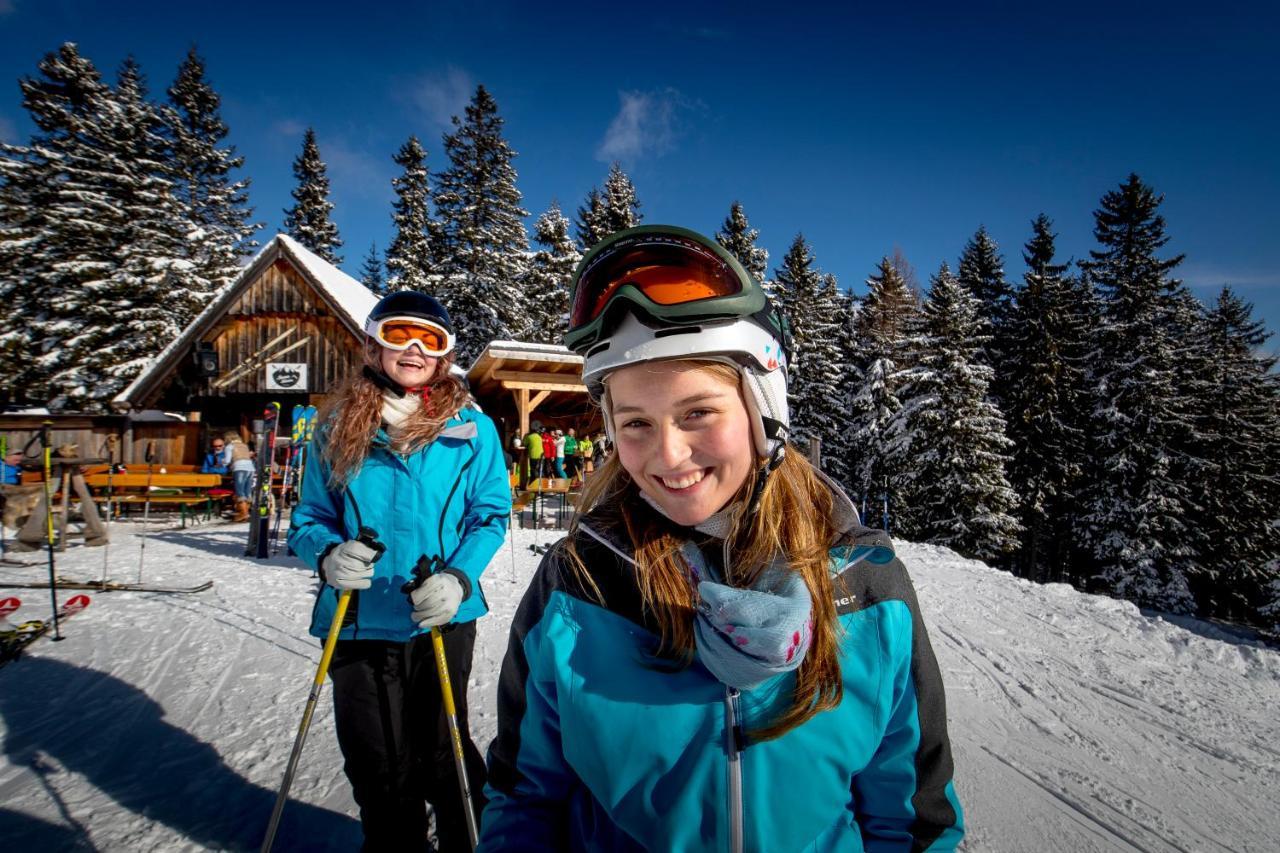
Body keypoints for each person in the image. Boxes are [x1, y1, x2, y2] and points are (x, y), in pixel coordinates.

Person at [480, 226, 964, 851]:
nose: (668, 454)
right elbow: (525, 797)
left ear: (764, 410)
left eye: (698, 413)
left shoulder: (865, 581)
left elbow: (912, 816)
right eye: (635, 424)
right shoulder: (580, 583)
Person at [288, 290, 511, 852]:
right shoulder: (335, 425)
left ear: (444, 355)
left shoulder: (471, 429)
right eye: (399, 334)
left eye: (430, 339)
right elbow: (309, 516)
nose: (413, 348)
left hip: (440, 613)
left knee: (444, 754)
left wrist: (459, 578)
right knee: (377, 764)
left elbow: (490, 515)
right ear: (373, 343)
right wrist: (326, 553)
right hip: (358, 619)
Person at [224, 431, 255, 522]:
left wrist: (220, 462)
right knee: (247, 492)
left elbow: (227, 461)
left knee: (240, 492)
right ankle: (246, 512)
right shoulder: (244, 445)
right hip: (251, 468)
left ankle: (244, 514)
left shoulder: (229, 447)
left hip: (239, 468)